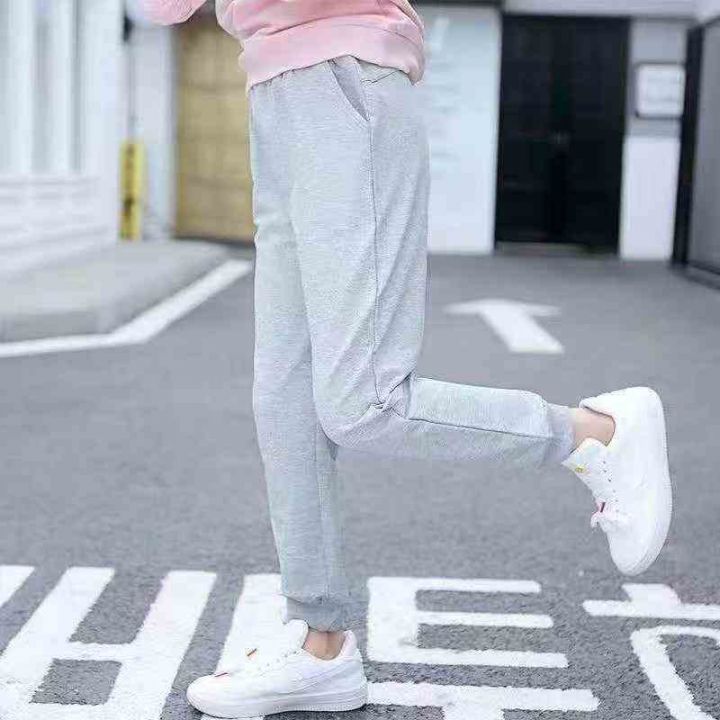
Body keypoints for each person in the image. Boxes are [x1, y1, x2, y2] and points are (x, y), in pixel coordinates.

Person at [143, 1, 673, 717]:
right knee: (286, 405)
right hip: (273, 93)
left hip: (343, 76)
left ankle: (593, 433)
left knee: (364, 403)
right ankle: (320, 646)